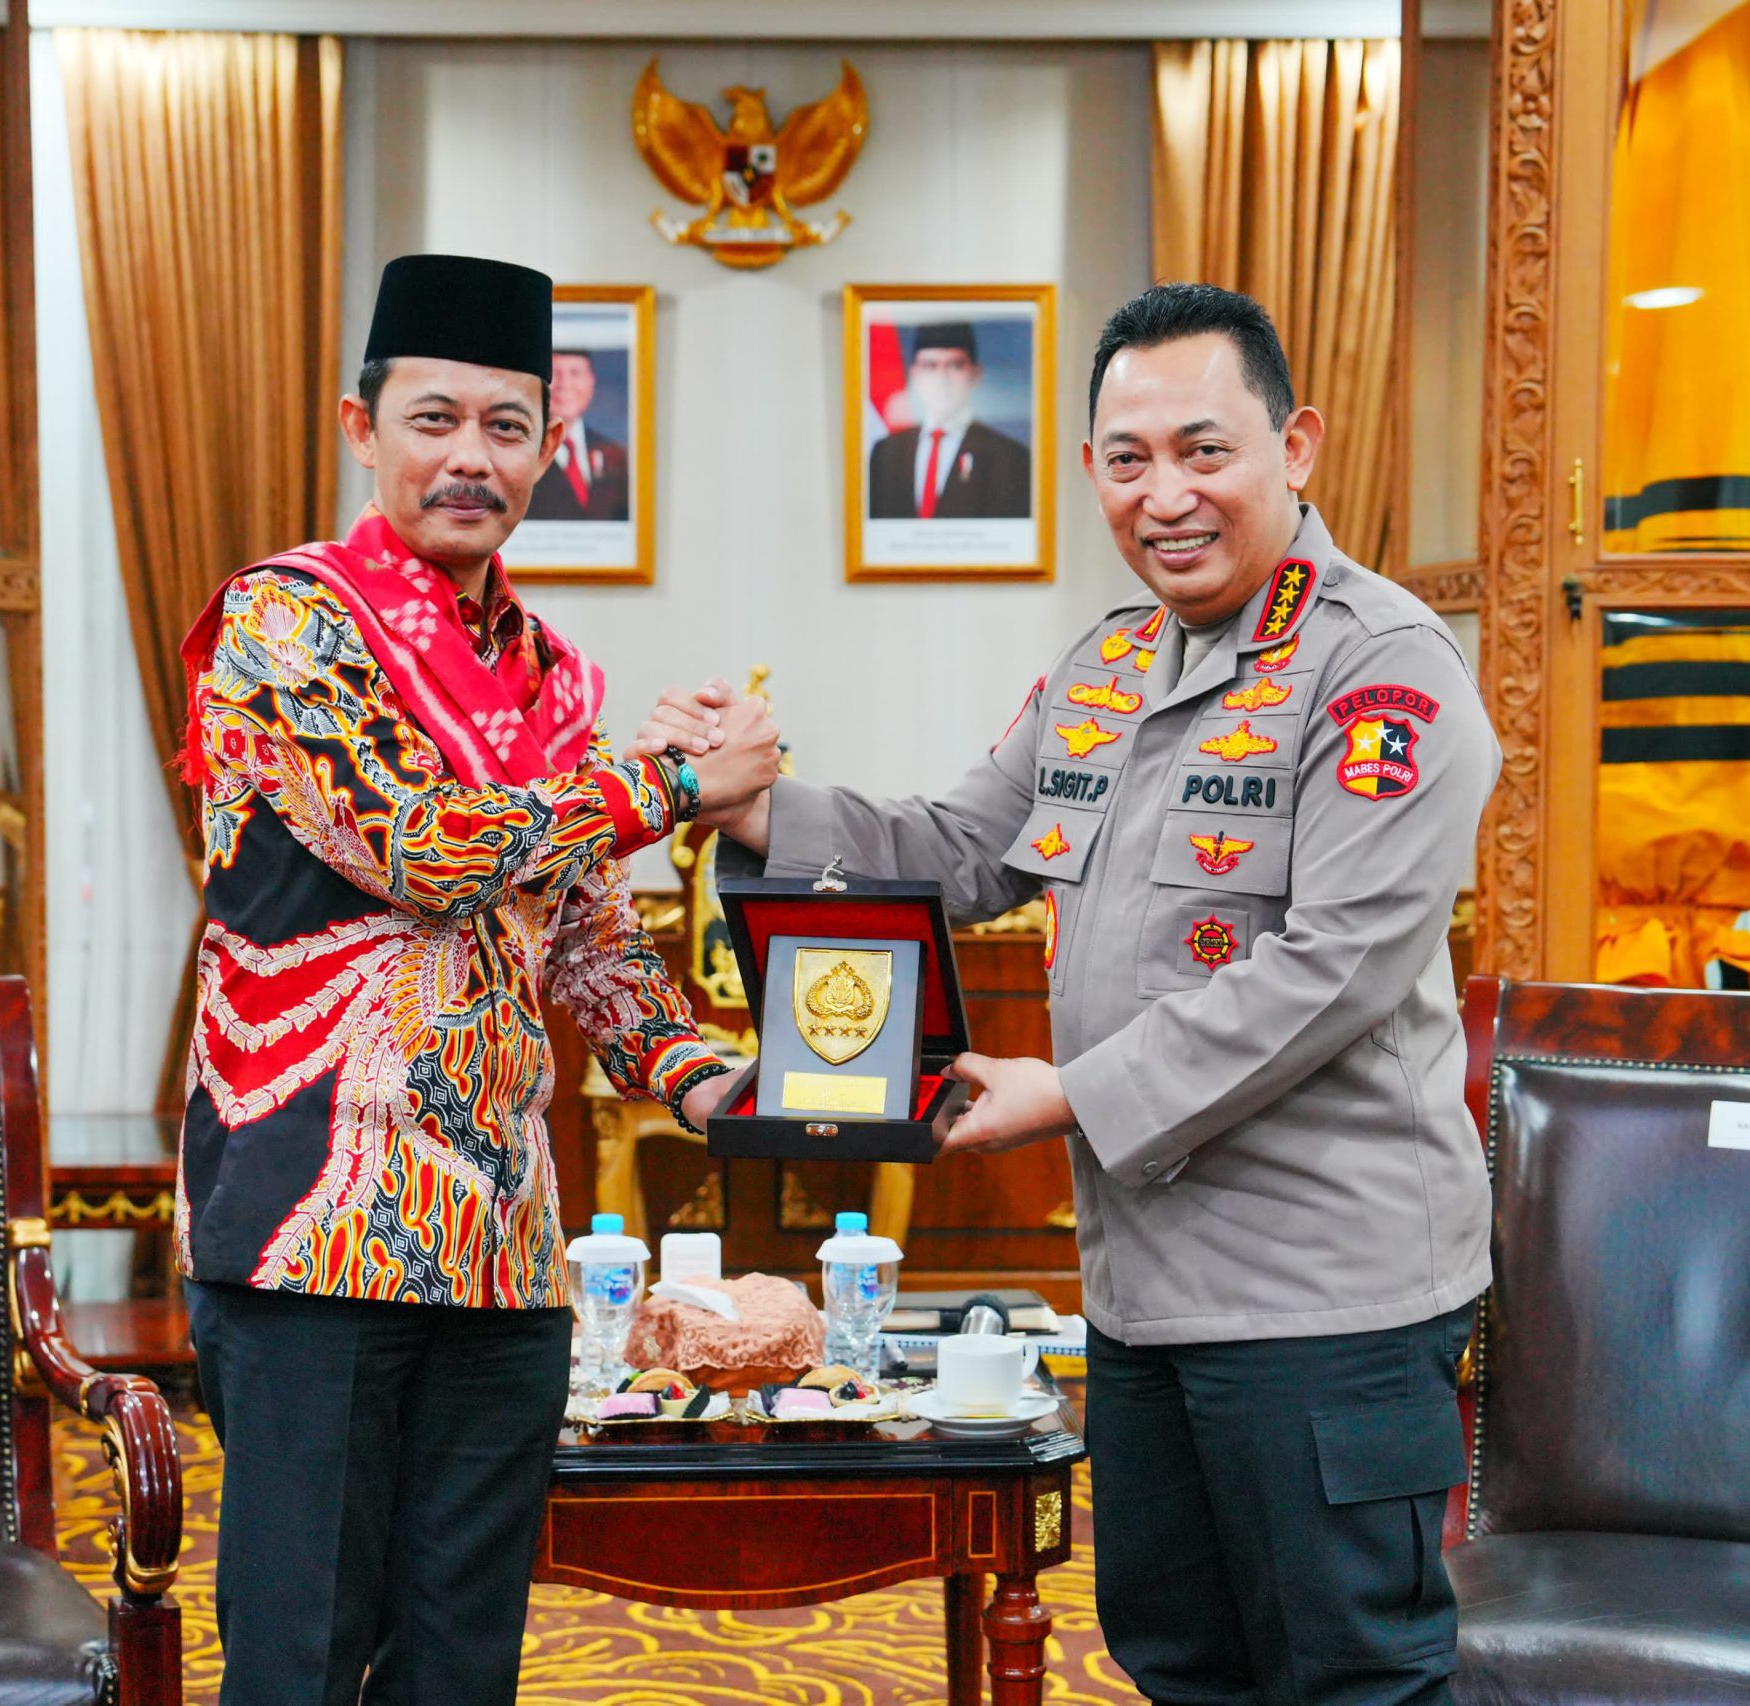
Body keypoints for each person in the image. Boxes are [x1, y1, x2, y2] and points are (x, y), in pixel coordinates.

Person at [641, 282, 1499, 1705]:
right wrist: (751, 804)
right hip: (1144, 1295)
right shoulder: (1104, 667)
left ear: (1296, 447)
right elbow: (954, 849)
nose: (1166, 495)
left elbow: (1335, 964)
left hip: (1322, 1303)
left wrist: (1073, 1095)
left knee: (1350, 1676)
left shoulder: (1382, 668)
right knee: (1180, 1661)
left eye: (1204, 450)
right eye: (1127, 458)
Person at [173, 252, 773, 1706]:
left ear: (548, 450)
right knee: (298, 1662)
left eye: (507, 427)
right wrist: (672, 781)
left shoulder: (554, 677)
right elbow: (417, 844)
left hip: (502, 1244)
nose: (470, 458)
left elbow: (587, 935)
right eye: (433, 419)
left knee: (462, 1667)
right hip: (313, 1231)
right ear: (360, 427)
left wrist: (720, 1081)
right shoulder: (287, 621)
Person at [865, 321, 1034, 520]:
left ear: (975, 375)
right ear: (915, 375)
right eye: (930, 366)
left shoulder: (1010, 458)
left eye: (955, 365)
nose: (942, 379)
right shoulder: (886, 452)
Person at [525, 346, 631, 521]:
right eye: (554, 373)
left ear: (591, 381)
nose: (565, 384)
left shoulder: (615, 455)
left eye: (575, 373)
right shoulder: (519, 452)